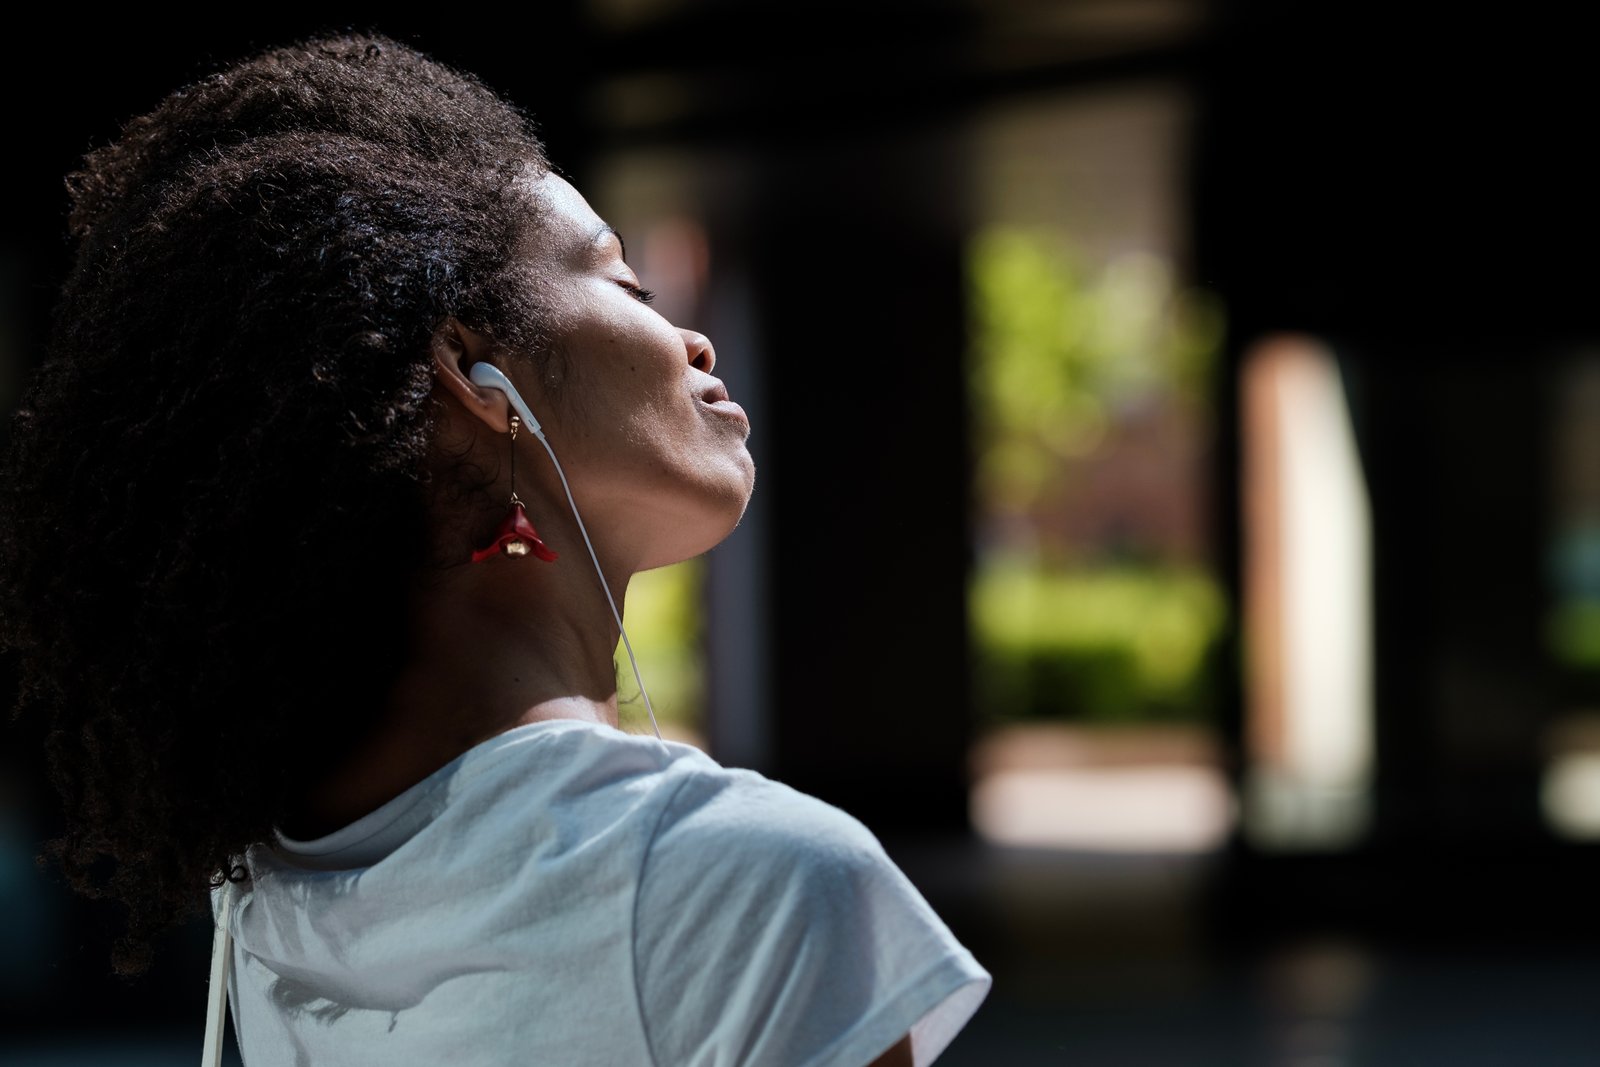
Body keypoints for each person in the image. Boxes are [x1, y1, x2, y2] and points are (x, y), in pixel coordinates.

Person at [0, 31, 991, 1067]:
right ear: (475, 373)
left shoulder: (268, 896)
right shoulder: (745, 880)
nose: (693, 340)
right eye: (625, 283)